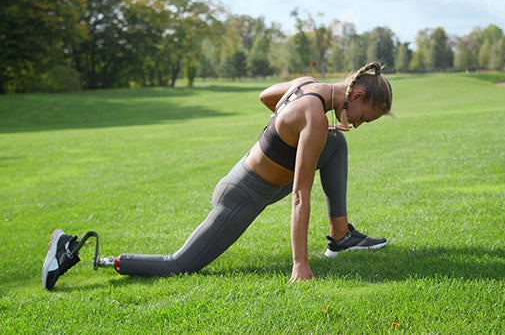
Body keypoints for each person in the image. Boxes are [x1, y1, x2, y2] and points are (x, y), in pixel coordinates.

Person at [42, 61, 393, 290]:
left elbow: (266, 96)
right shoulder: (314, 118)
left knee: (336, 144)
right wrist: (300, 264)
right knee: (180, 265)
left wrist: (288, 128)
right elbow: (301, 195)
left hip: (265, 183)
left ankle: (340, 236)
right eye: (364, 117)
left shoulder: (307, 86)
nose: (359, 124)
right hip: (243, 194)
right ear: (357, 95)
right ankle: (84, 251)